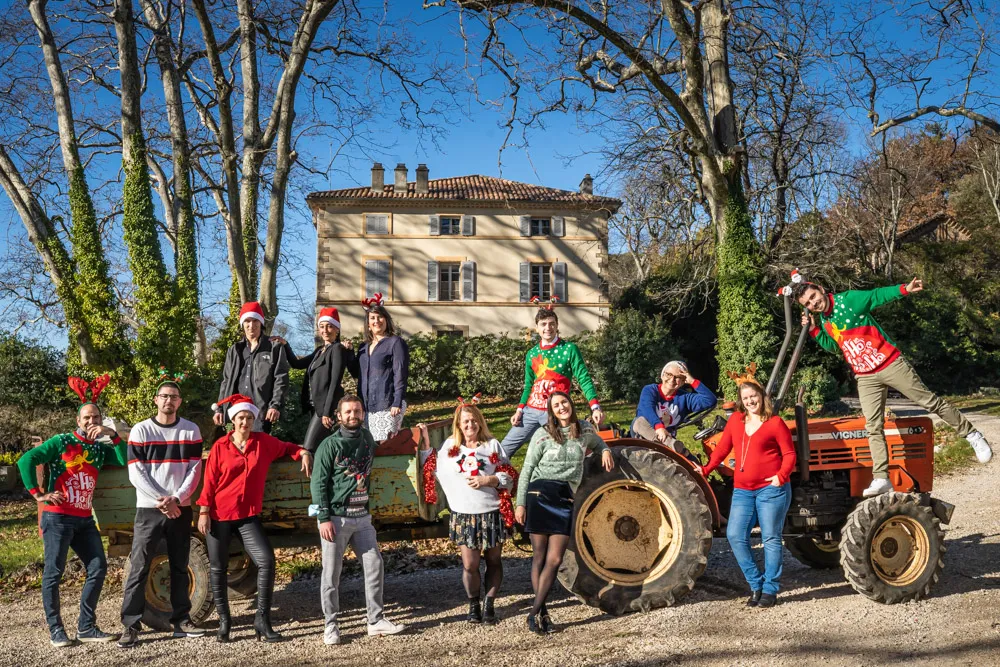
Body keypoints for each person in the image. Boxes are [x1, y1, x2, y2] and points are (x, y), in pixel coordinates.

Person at [789, 270, 993, 496]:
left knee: (929, 402)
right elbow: (834, 346)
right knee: (872, 426)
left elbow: (877, 295)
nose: (813, 302)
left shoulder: (849, 301)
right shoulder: (825, 320)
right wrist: (814, 329)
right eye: (808, 303)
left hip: (889, 363)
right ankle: (881, 478)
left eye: (813, 296)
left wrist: (904, 289)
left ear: (820, 289)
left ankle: (972, 435)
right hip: (865, 376)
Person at [16, 375, 127, 647]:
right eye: (86, 418)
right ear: (78, 421)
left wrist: (112, 435)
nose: (91, 422)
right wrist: (38, 494)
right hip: (58, 517)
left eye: (96, 418)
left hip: (84, 519)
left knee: (98, 566)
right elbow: (26, 460)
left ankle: (86, 627)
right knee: (54, 572)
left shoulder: (100, 450)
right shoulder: (63, 442)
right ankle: (56, 631)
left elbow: (124, 458)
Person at [197, 393, 312, 643]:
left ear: (254, 419)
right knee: (218, 568)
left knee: (267, 560)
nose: (245, 422)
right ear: (232, 420)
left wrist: (303, 453)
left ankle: (262, 620)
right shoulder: (221, 446)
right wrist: (204, 511)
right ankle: (225, 623)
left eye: (249, 417)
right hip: (219, 515)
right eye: (240, 417)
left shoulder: (263, 442)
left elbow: (288, 448)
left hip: (247, 516)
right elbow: (209, 481)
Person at [514, 391, 614, 634]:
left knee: (555, 559)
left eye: (564, 402)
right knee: (539, 556)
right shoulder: (543, 434)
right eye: (556, 405)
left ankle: (534, 611)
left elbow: (598, 442)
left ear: (571, 404)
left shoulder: (585, 430)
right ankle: (542, 612)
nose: (561, 408)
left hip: (565, 496)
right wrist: (520, 503)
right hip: (539, 493)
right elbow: (527, 468)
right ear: (551, 410)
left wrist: (606, 450)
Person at [119, 370, 205, 648]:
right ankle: (130, 624)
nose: (169, 400)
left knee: (180, 565)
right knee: (139, 566)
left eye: (174, 397)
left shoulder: (191, 430)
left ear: (180, 402)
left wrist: (177, 499)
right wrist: (161, 499)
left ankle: (182, 621)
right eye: (164, 396)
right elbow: (135, 472)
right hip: (149, 509)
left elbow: (195, 469)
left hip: (180, 509)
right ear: (156, 400)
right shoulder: (141, 430)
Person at [310, 395, 405, 645]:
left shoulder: (366, 439)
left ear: (363, 414)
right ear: (339, 416)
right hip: (336, 519)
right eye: (348, 412)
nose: (353, 415)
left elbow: (379, 449)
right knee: (331, 574)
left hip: (362, 518)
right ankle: (331, 625)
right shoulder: (329, 446)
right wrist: (322, 517)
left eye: (357, 411)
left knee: (374, 564)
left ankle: (375, 621)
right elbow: (318, 484)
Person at [416, 398, 518, 626]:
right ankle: (474, 604)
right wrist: (424, 444)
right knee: (470, 565)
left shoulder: (492, 445)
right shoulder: (450, 448)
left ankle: (489, 604)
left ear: (480, 423)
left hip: (491, 512)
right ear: (459, 425)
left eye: (474, 421)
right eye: (465, 422)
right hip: (464, 514)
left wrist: (489, 479)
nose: (470, 425)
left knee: (493, 560)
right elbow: (432, 468)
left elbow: (510, 477)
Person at [701, 367, 796, 608]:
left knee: (771, 538)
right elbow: (722, 449)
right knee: (734, 535)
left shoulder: (775, 423)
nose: (750, 401)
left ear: (762, 396)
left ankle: (770, 590)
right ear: (741, 402)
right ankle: (756, 584)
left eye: (753, 396)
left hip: (770, 490)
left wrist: (780, 477)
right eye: (745, 398)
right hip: (743, 489)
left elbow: (789, 454)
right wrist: (706, 469)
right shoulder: (736, 420)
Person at [501, 299, 604, 458]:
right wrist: (520, 410)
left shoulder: (569, 349)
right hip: (531, 411)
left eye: (551, 323)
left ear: (557, 325)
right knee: (503, 450)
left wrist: (595, 406)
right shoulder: (532, 354)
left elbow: (583, 378)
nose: (547, 328)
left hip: (556, 411)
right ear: (537, 328)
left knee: (565, 453)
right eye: (543, 324)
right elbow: (529, 385)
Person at [277, 307, 358, 452]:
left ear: (337, 330)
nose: (325, 330)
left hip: (325, 409)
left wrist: (327, 412)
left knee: (309, 447)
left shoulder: (338, 349)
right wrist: (285, 345)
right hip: (315, 406)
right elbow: (297, 364)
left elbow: (335, 381)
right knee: (323, 448)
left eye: (329, 326)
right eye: (322, 326)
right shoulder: (319, 351)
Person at [214, 301, 291, 433]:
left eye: (255, 321)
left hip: (260, 411)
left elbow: (281, 379)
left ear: (261, 323)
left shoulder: (274, 348)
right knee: (236, 450)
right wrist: (219, 408)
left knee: (257, 450)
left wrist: (275, 405)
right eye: (247, 321)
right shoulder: (234, 350)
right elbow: (226, 381)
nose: (251, 325)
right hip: (235, 412)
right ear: (242, 324)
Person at [632, 360, 717, 453]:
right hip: (642, 437)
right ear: (662, 375)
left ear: (683, 381)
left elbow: (710, 400)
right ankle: (670, 446)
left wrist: (692, 381)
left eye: (678, 377)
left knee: (693, 465)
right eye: (669, 374)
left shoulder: (685, 398)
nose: (672, 380)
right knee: (639, 422)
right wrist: (659, 427)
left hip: (669, 439)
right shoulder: (650, 390)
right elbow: (647, 409)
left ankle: (674, 449)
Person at [356, 294, 409, 441]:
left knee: (385, 446)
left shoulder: (395, 342)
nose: (376, 321)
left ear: (386, 319)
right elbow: (356, 373)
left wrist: (397, 401)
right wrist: (347, 352)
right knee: (369, 448)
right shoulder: (363, 347)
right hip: (366, 407)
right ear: (368, 323)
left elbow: (400, 373)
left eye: (380, 317)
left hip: (388, 404)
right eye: (372, 318)